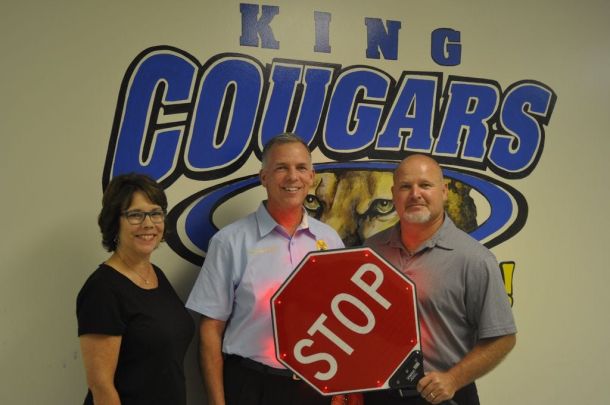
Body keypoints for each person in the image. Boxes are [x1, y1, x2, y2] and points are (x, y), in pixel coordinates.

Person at [185, 133, 361, 405]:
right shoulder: (230, 242)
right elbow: (210, 330)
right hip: (252, 386)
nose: (292, 177)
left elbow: (342, 321)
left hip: (316, 386)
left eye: (301, 168)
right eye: (281, 168)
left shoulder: (330, 240)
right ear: (263, 177)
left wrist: (340, 389)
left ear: (311, 176)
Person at [363, 154, 517, 405]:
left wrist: (453, 379)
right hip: (377, 396)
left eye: (425, 185)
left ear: (444, 191)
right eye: (405, 186)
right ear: (394, 194)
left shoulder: (475, 259)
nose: (415, 194)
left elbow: (503, 337)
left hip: (444, 396)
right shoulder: (371, 250)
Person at [76, 173, 195, 405]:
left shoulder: (156, 274)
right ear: (114, 222)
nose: (148, 223)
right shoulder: (102, 290)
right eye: (135, 215)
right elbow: (101, 386)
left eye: (155, 213)